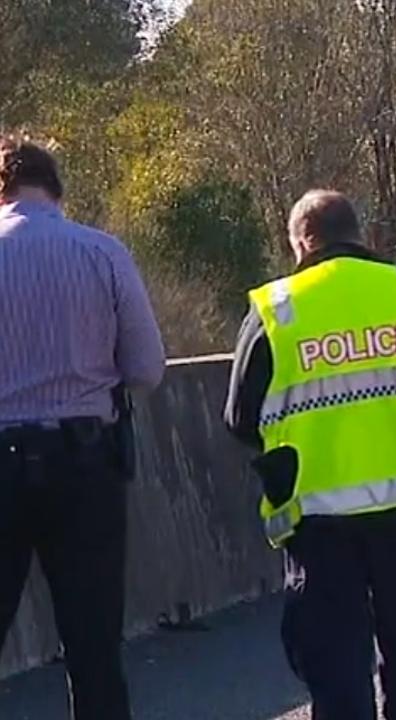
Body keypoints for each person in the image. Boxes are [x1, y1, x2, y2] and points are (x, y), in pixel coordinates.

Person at [223, 189, 396, 719]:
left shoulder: (277, 307)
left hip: (319, 522)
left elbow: (240, 419)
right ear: (359, 234)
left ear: (301, 243)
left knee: (337, 686)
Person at [0, 137, 166, 719]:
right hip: (84, 462)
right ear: (56, 188)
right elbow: (146, 368)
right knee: (94, 647)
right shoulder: (102, 252)